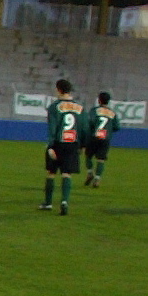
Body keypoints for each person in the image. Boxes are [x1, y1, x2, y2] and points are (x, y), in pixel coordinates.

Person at [42, 77, 82, 213]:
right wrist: (81, 144)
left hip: (58, 143)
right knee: (67, 173)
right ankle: (64, 201)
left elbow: (52, 127)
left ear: (59, 90)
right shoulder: (79, 108)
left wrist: (50, 145)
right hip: (72, 143)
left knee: (51, 172)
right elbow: (84, 128)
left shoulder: (54, 107)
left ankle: (48, 203)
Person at [83, 90, 119, 186]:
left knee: (88, 156)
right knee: (101, 159)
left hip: (94, 137)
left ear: (99, 100)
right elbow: (117, 127)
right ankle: (97, 179)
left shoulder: (94, 110)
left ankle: (90, 173)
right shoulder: (112, 113)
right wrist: (109, 130)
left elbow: (90, 122)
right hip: (105, 138)